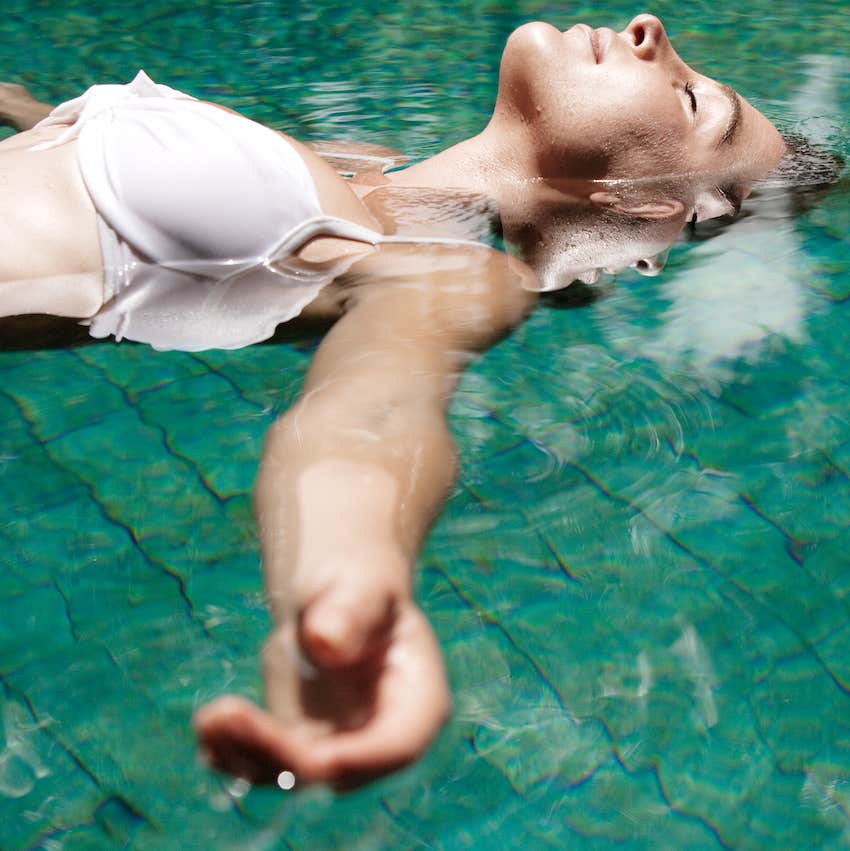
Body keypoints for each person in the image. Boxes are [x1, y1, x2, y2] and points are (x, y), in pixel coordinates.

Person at [0, 14, 787, 788]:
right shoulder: (361, 170)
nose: (651, 27)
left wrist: (346, 581)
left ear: (650, 212)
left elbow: (367, 418)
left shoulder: (443, 277)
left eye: (690, 101)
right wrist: (32, 110)